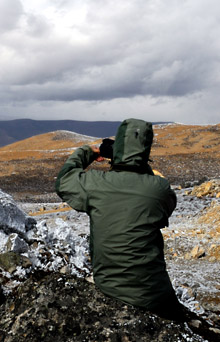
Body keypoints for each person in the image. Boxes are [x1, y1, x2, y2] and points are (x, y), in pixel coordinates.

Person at [55, 118, 186, 320]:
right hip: (155, 293)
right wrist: (140, 165)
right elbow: (162, 205)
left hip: (110, 288)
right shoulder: (159, 189)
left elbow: (64, 181)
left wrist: (89, 152)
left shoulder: (94, 184)